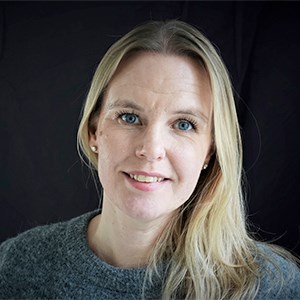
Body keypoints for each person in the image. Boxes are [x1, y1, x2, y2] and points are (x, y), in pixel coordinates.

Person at [0, 20, 299, 300]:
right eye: (129, 117)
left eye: (184, 124)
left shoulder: (271, 286)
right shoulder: (16, 268)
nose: (151, 149)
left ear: (210, 150)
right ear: (94, 131)